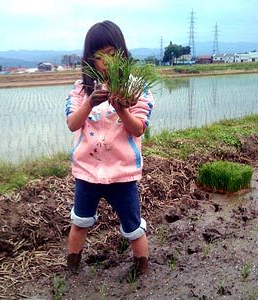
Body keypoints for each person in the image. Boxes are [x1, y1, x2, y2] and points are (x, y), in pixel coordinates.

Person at [64, 20, 155, 278]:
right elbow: (72, 123)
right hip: (87, 173)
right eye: (100, 56)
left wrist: (121, 107)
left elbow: (138, 129)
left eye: (112, 55)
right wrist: (89, 104)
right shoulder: (81, 90)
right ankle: (72, 267)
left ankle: (142, 269)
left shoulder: (135, 89)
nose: (106, 62)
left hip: (122, 175)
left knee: (133, 226)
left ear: (123, 56)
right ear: (90, 60)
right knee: (80, 222)